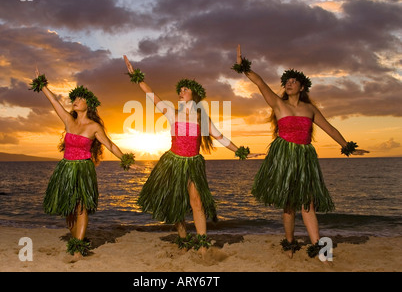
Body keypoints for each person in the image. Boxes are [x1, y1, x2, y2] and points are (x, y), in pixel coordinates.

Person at [233, 45, 369, 259]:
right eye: (286, 82)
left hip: (305, 158)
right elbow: (259, 82)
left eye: (293, 81)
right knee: (288, 206)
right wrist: (244, 68)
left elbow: (330, 128)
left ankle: (322, 253)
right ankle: (289, 244)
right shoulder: (278, 104)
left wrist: (348, 146)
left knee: (308, 204)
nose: (289, 84)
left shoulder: (310, 109)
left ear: (302, 86)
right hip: (283, 157)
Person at [123, 55, 262, 251]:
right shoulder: (172, 113)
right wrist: (136, 76)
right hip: (173, 162)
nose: (180, 92)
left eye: (185, 90)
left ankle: (203, 245)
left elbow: (220, 137)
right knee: (175, 202)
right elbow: (152, 94)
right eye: (180, 90)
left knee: (196, 201)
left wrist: (241, 152)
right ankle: (182, 236)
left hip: (193, 163)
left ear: (194, 95)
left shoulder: (200, 117)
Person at [29, 69, 137, 258]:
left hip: (83, 169)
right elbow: (54, 101)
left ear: (89, 104)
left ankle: (77, 250)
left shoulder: (94, 127)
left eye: (80, 99)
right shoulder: (69, 120)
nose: (75, 101)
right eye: (75, 99)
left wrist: (126, 161)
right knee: (68, 211)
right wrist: (42, 84)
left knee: (81, 207)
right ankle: (78, 242)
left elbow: (110, 145)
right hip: (66, 169)